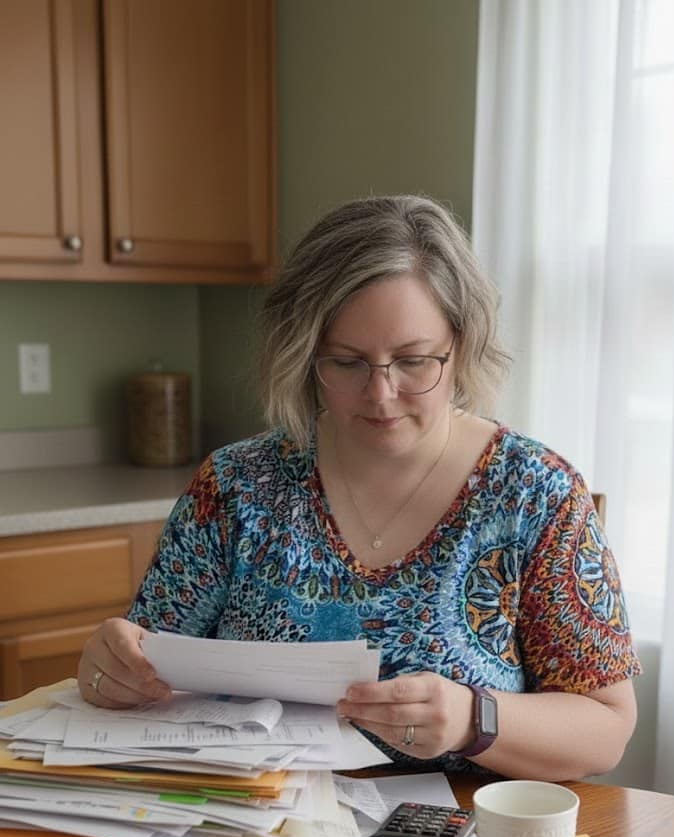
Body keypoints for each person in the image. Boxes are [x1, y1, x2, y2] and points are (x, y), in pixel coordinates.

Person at [77, 194, 640, 781]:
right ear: (304, 355)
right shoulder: (236, 488)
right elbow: (144, 667)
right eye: (346, 363)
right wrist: (109, 668)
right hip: (252, 830)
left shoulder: (535, 494)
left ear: (462, 345)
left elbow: (605, 730)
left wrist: (476, 719)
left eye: (414, 361)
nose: (380, 394)